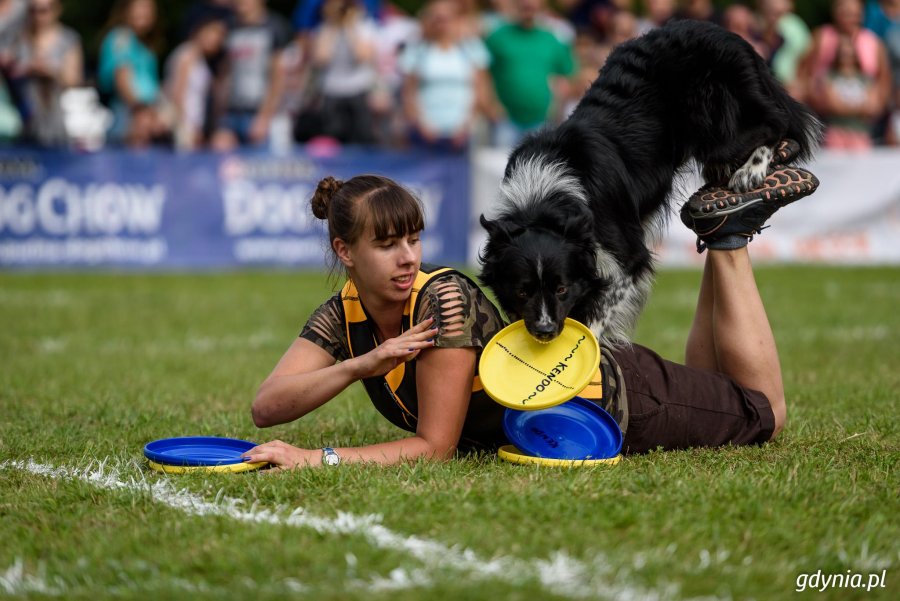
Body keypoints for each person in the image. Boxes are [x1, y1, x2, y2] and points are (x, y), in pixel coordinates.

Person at [241, 172, 794, 468]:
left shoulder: (443, 301)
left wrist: (315, 458)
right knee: (724, 391)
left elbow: (434, 448)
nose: (409, 257)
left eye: (412, 239)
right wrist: (361, 364)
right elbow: (268, 407)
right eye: (387, 245)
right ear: (345, 251)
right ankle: (718, 242)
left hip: (613, 403)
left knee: (765, 414)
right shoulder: (345, 312)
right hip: (561, 422)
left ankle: (727, 241)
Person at [399, 0, 491, 151]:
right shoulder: (418, 50)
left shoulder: (471, 48)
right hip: (426, 131)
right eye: (437, 20)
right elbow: (409, 91)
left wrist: (467, 125)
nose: (442, 25)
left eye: (446, 19)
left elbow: (480, 89)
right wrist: (421, 124)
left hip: (463, 132)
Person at [484, 0, 576, 147]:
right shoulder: (497, 37)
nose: (528, 5)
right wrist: (490, 104)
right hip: (505, 121)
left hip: (542, 122)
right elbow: (482, 73)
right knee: (499, 167)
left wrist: (558, 106)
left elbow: (567, 73)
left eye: (532, 3)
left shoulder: (550, 39)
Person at [210, 0, 292, 150]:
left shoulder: (274, 27)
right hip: (231, 112)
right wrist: (219, 115)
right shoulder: (229, 27)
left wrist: (264, 117)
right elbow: (224, 73)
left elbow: (277, 77)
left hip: (258, 113)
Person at [10, 0, 83, 146]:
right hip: (24, 118)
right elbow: (9, 73)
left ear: (57, 10)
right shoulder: (19, 38)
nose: (38, 16)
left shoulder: (68, 39)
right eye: (33, 10)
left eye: (44, 10)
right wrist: (27, 69)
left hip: (59, 119)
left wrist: (51, 71)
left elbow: (74, 80)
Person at [97, 0, 169, 147]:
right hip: (128, 112)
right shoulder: (121, 38)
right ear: (126, 10)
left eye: (149, 9)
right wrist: (140, 110)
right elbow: (121, 76)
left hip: (146, 111)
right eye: (140, 7)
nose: (144, 13)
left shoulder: (144, 44)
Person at [309, 0, 379, 145]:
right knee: (333, 137)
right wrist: (333, 26)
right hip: (331, 90)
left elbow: (362, 56)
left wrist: (350, 27)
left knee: (363, 137)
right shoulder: (323, 29)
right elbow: (321, 58)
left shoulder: (365, 27)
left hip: (359, 90)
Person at [164, 13, 227, 150]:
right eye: (213, 32)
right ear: (199, 31)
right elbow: (177, 94)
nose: (216, 39)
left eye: (220, 35)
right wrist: (185, 128)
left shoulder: (200, 59)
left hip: (194, 125)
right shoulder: (186, 56)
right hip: (184, 127)